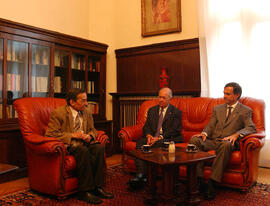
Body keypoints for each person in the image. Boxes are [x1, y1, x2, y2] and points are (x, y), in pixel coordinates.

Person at [189, 82, 257, 200]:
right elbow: (210, 125)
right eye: (224, 93)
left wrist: (236, 135)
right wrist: (204, 133)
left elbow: (251, 127)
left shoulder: (245, 111)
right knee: (194, 139)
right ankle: (199, 180)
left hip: (227, 142)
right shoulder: (217, 108)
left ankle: (212, 183)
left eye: (227, 94)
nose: (224, 96)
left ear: (236, 95)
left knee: (226, 145)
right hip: (213, 140)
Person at [45, 88, 113, 204]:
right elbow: (50, 134)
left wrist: (90, 136)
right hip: (69, 145)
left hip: (85, 142)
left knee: (99, 148)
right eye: (83, 101)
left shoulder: (86, 112)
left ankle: (97, 187)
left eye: (86, 100)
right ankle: (84, 192)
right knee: (82, 151)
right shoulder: (59, 113)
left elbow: (92, 129)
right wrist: (73, 135)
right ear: (72, 102)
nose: (86, 104)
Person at [128, 87, 183, 189]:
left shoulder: (176, 112)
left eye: (163, 98)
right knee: (140, 142)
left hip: (168, 138)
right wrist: (148, 135)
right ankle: (141, 174)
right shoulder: (152, 110)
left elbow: (175, 130)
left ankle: (145, 177)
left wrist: (159, 137)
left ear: (170, 99)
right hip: (153, 137)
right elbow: (146, 126)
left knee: (157, 143)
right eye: (159, 97)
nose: (160, 100)